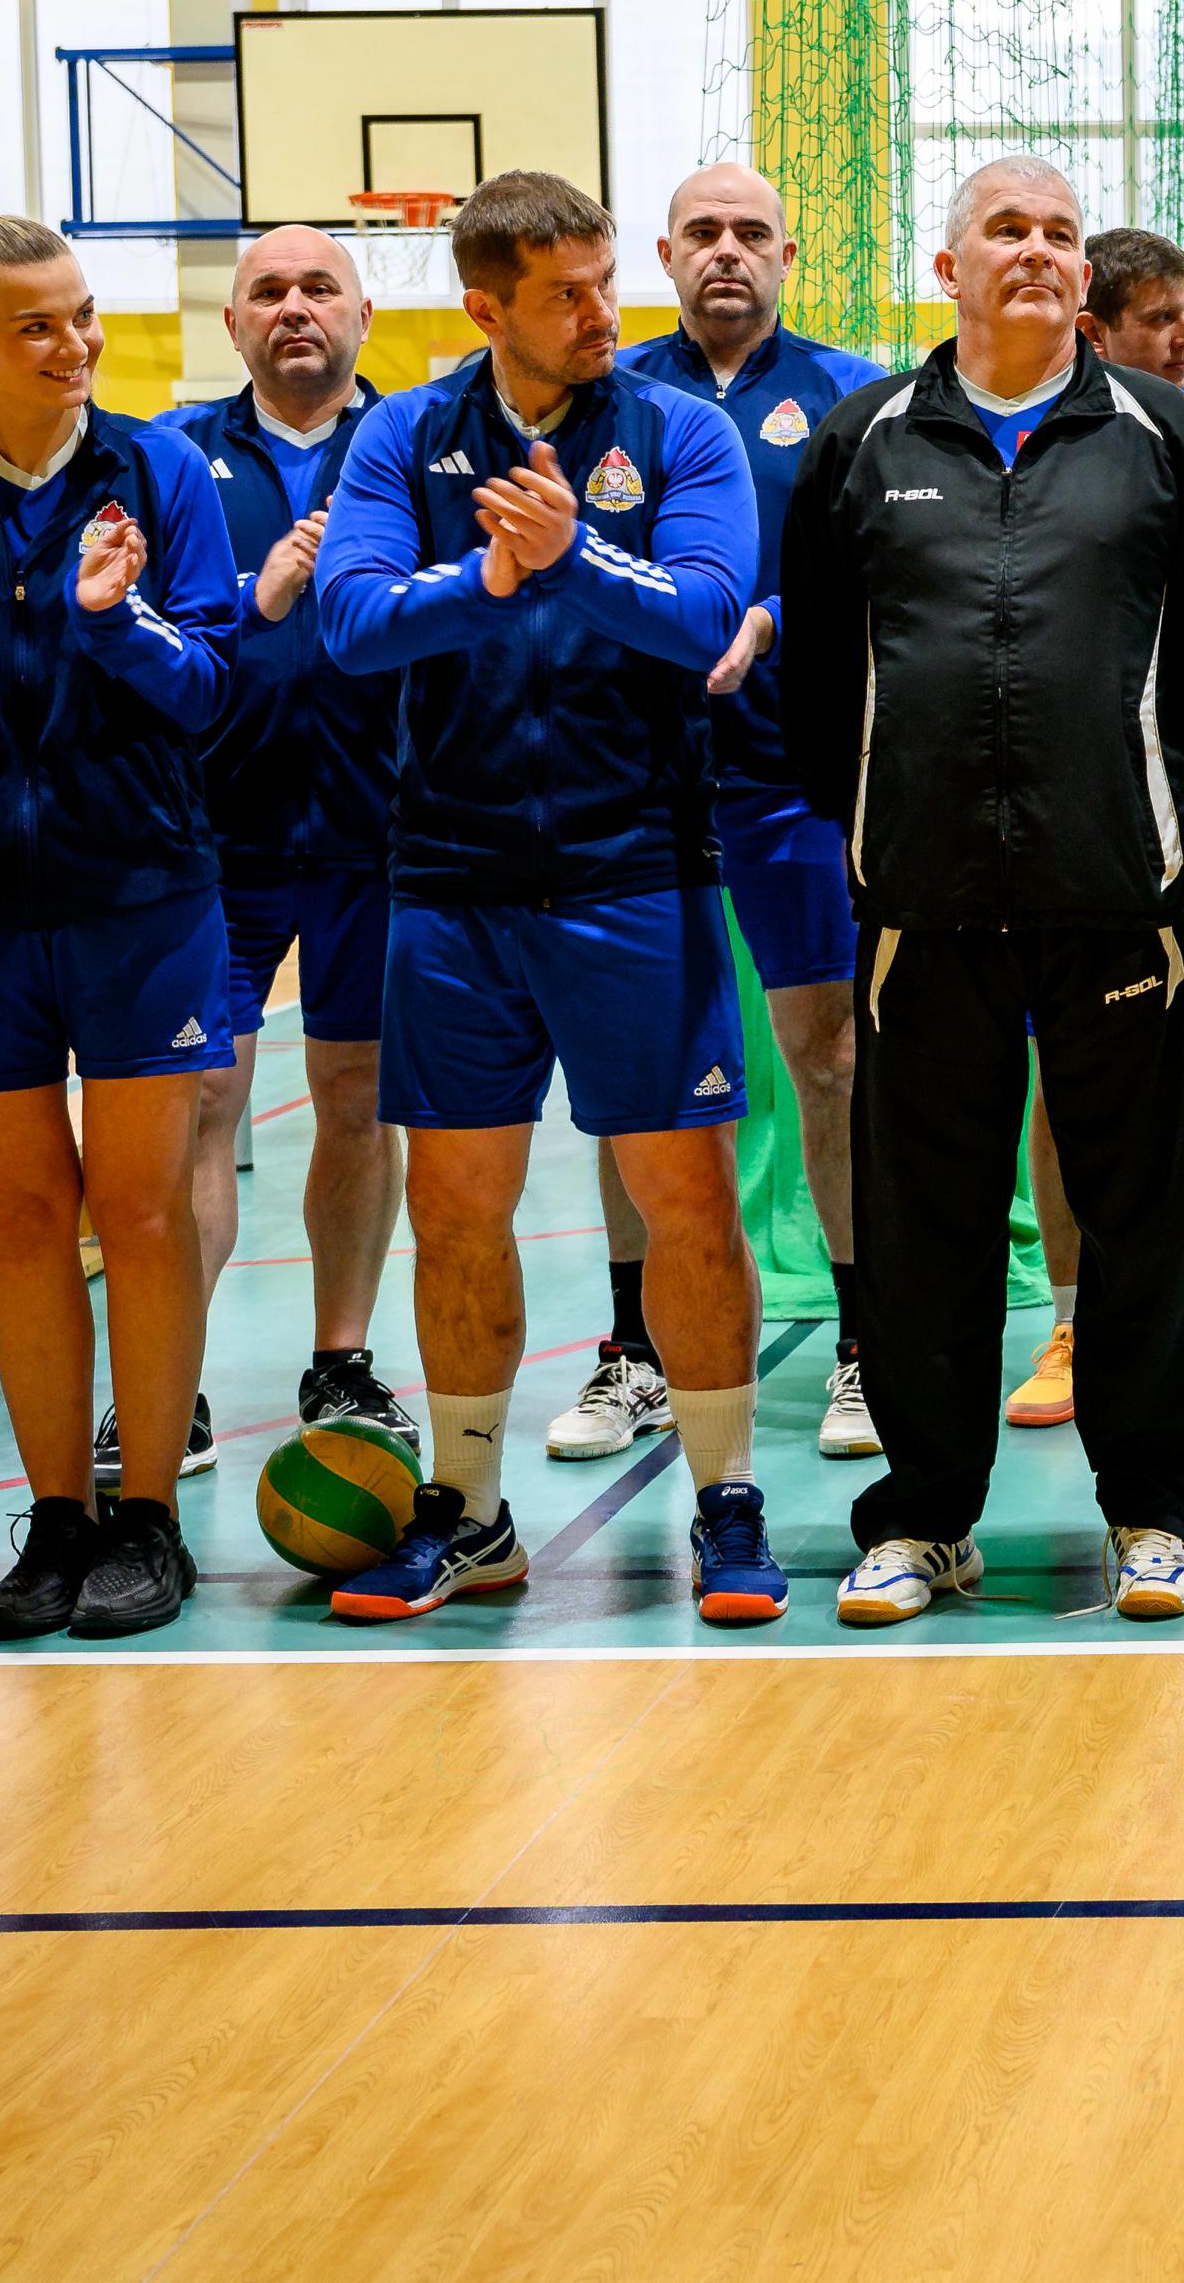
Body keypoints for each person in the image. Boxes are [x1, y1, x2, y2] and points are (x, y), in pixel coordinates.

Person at [784, 158, 1184, 1623]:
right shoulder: (864, 440)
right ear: (949, 267)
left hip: (1117, 894)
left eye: (1061, 233)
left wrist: (1144, 811)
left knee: (1148, 1221)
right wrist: (886, 817)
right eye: (1009, 230)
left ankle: (1156, 1513)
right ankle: (926, 1520)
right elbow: (820, 676)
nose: (1041, 252)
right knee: (922, 1224)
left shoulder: (1170, 437)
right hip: (921, 902)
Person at [313, 170, 784, 1625]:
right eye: (565, 293)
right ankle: (469, 1509)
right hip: (452, 881)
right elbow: (351, 622)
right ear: (485, 307)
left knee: (686, 1197)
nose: (601, 312)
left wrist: (572, 558)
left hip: (635, 869)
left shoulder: (681, 430)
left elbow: (707, 613)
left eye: (602, 281)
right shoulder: (403, 435)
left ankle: (726, 1500)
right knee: (457, 1208)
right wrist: (493, 578)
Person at [0, 208, 239, 1639]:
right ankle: (59, 1519)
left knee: (140, 1211)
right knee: (20, 1218)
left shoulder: (160, 470)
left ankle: (150, 1519)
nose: (74, 344)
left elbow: (210, 690)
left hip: (140, 893)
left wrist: (116, 623)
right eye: (36, 325)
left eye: (81, 315)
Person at [590, 164, 891, 1464]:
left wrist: (771, 618)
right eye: (703, 232)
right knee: (631, 1067)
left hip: (793, 777)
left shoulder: (849, 397)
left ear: (787, 254)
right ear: (664, 254)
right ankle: (635, 1353)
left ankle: (866, 1344)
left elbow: (887, 567)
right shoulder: (608, 396)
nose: (727, 250)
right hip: (633, 776)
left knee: (828, 1054)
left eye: (751, 232)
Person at [1010, 222, 1184, 1435]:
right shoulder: (1034, 432)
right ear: (1097, 331)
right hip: (1062, 803)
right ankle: (1076, 1323)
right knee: (1059, 1068)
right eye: (1160, 318)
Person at [171, 227, 411, 1453]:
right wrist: (257, 601)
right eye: (268, 291)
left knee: (356, 1094)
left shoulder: (417, 447)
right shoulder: (171, 459)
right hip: (217, 836)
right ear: (233, 325)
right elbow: (140, 636)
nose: (295, 308)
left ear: (364, 315)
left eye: (321, 288)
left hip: (381, 832)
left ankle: (343, 1360)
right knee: (199, 1098)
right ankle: (167, 1378)